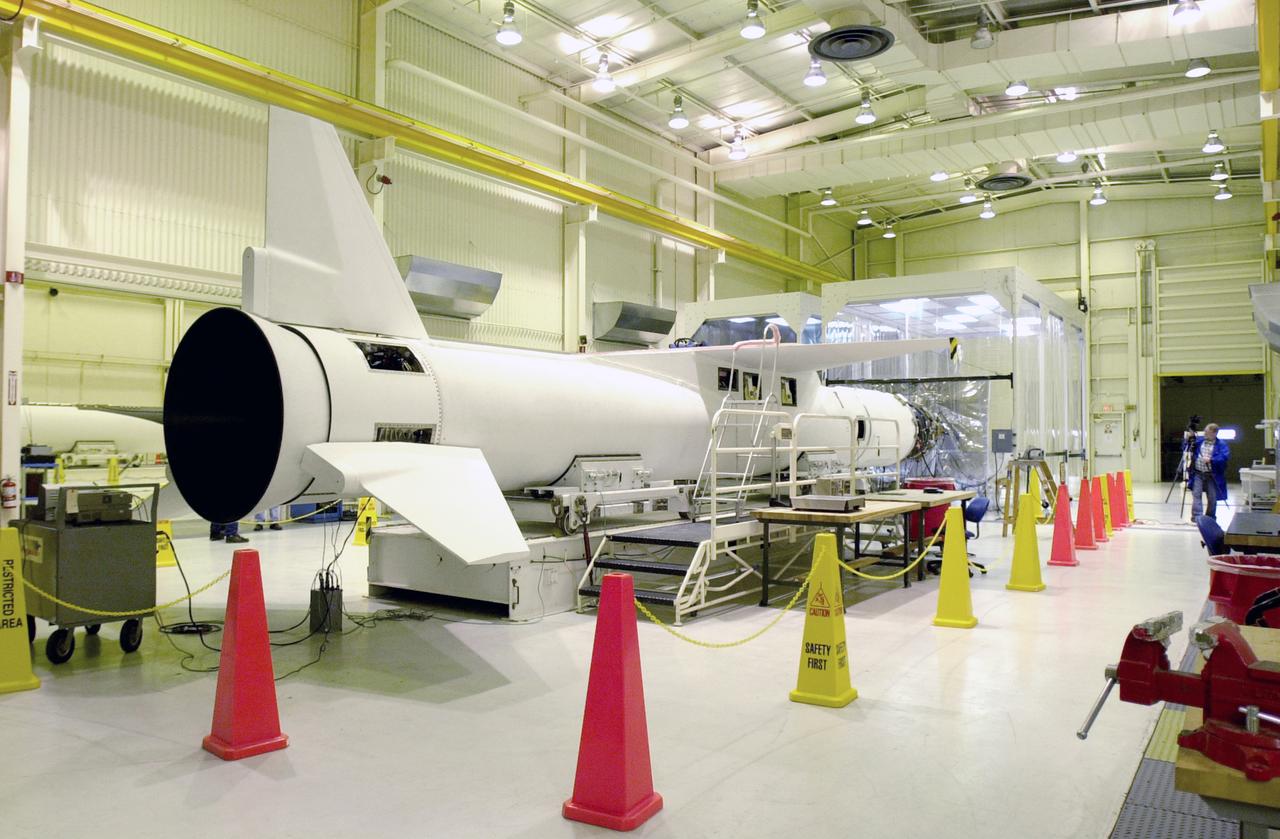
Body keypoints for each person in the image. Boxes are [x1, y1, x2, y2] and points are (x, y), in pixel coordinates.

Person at [1188, 423, 1229, 521]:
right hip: (1198, 472)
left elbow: (1224, 457)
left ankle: (1210, 517)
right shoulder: (1200, 441)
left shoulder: (1221, 444)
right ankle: (1197, 517)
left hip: (1212, 475)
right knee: (1196, 494)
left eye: (1207, 432)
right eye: (1205, 432)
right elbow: (1187, 446)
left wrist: (1211, 460)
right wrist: (1190, 437)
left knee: (1212, 497)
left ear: (1214, 433)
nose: (1205, 434)